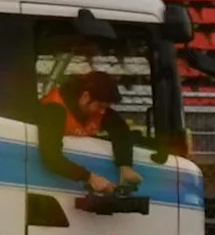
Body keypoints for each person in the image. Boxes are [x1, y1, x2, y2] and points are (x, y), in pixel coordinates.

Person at [36, 58, 145, 198]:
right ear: (85, 96)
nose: (102, 112)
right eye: (100, 106)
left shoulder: (97, 110)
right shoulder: (53, 111)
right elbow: (51, 157)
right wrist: (89, 178)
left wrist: (125, 166)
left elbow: (120, 130)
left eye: (106, 108)